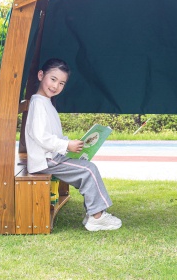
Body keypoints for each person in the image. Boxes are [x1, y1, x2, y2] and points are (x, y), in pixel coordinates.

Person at [25, 58, 122, 231]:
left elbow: (51, 134)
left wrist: (69, 144)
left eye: (61, 83)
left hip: (50, 156)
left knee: (86, 167)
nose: (55, 86)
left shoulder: (45, 102)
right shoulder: (38, 103)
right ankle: (97, 217)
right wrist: (66, 145)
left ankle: (94, 213)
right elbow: (40, 136)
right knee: (88, 170)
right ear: (41, 75)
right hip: (46, 159)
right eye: (53, 79)